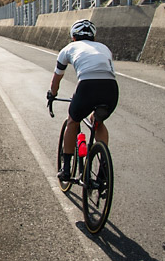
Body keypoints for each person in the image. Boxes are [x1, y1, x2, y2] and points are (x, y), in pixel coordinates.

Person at [47, 18, 119, 183]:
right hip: (111, 89)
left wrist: (52, 93)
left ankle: (66, 169)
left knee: (73, 120)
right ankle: (103, 167)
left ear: (73, 37)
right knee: (97, 121)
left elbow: (57, 78)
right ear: (93, 37)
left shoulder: (68, 49)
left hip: (87, 86)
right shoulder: (104, 48)